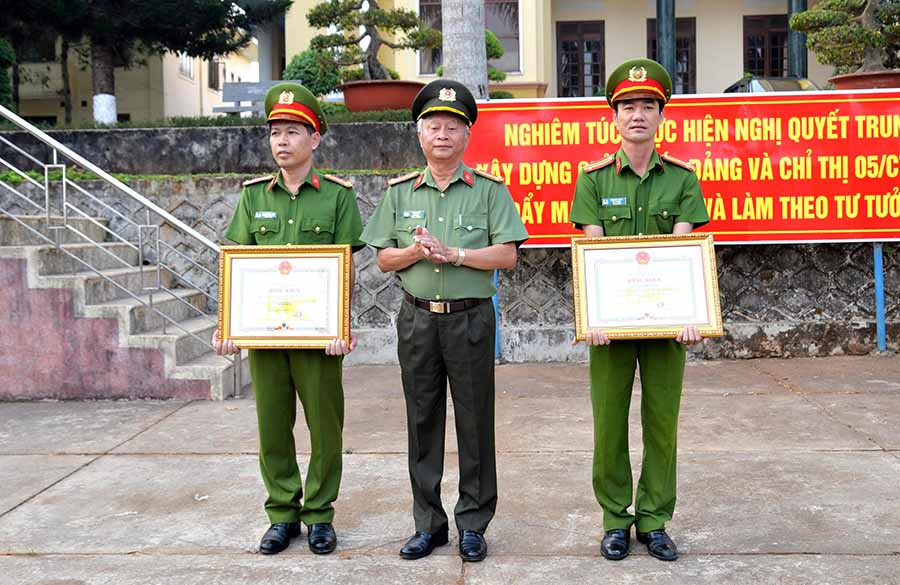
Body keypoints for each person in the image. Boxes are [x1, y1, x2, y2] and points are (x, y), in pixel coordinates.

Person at [359, 80, 528, 562]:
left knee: (475, 423)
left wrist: (454, 254)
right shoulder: (398, 193)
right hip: (417, 320)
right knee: (422, 421)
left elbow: (507, 255)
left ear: (467, 134)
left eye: (452, 125)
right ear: (418, 133)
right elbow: (384, 260)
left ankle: (473, 522)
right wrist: (417, 250)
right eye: (432, 125)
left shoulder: (489, 191)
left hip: (470, 320)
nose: (442, 133)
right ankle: (427, 523)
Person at [212, 82, 364, 556]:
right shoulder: (253, 197)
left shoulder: (337, 197)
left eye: (293, 131)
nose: (282, 141)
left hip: (318, 338)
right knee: (273, 427)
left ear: (314, 139)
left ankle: (319, 514)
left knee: (325, 427)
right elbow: (239, 262)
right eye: (275, 132)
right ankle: (282, 514)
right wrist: (228, 325)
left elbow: (346, 267)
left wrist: (341, 326)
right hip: (265, 337)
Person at [569, 58, 710, 562]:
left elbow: (683, 249)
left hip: (667, 327)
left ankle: (653, 520)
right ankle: (614, 519)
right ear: (613, 115)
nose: (637, 114)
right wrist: (595, 317)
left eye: (648, 105)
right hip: (611, 329)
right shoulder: (592, 179)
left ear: (661, 115)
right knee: (608, 425)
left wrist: (691, 310)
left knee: (661, 424)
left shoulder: (683, 180)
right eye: (627, 105)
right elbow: (592, 248)